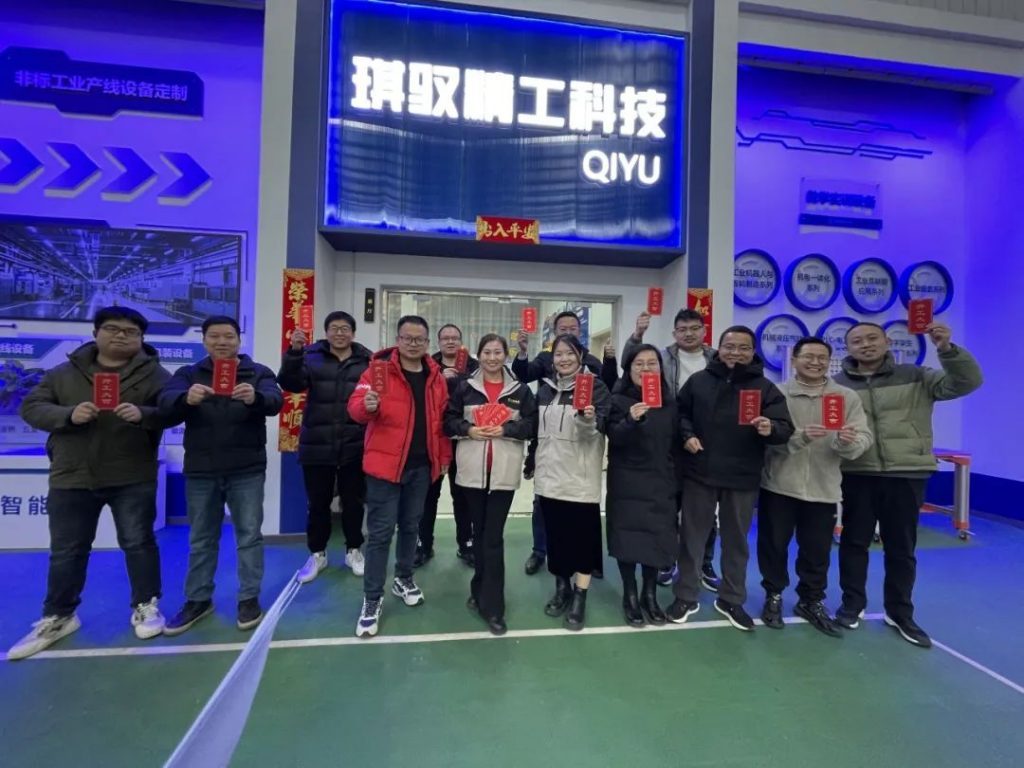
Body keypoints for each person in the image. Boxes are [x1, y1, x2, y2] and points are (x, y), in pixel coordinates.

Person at [8, 308, 173, 660]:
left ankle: (146, 605)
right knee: (68, 549)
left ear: (141, 339)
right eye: (112, 329)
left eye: (130, 332)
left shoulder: (157, 376)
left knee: (139, 543)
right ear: (96, 333)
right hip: (72, 474)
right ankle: (59, 615)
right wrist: (68, 414)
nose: (121, 336)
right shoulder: (64, 373)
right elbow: (32, 407)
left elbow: (173, 411)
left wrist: (145, 414)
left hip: (132, 473)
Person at [833, 321, 981, 647]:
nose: (865, 345)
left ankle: (899, 611)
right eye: (857, 341)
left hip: (906, 472)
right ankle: (852, 604)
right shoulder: (838, 385)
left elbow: (967, 381)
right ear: (848, 348)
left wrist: (946, 349)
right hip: (857, 472)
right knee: (853, 542)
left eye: (872, 338)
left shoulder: (916, 376)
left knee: (901, 547)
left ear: (887, 342)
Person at [160, 316, 283, 635]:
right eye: (214, 336)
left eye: (228, 336)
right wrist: (185, 399)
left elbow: (275, 401)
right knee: (201, 537)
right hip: (201, 470)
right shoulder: (188, 374)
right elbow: (165, 403)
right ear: (204, 340)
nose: (222, 342)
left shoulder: (257, 373)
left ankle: (249, 598)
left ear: (239, 340)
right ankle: (198, 599)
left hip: (247, 468)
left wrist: (255, 398)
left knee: (249, 536)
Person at [668, 326, 793, 631]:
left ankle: (731, 598)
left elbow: (784, 427)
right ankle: (685, 595)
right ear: (719, 348)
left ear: (753, 351)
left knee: (736, 541)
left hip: (742, 476)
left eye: (743, 347)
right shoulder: (699, 381)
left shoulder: (765, 388)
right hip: (699, 471)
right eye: (729, 346)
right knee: (692, 537)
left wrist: (771, 428)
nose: (735, 352)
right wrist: (687, 435)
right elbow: (679, 414)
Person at [758, 337, 872, 637]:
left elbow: (863, 437)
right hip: (779, 485)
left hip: (824, 488)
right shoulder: (776, 393)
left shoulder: (845, 397)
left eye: (822, 357)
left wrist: (846, 443)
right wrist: (801, 437)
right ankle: (773, 595)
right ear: (794, 359)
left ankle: (811, 600)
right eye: (808, 356)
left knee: (817, 550)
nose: (815, 362)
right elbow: (766, 441)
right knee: (773, 546)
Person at [348, 315, 451, 638]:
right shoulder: (377, 371)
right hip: (385, 468)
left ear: (427, 342)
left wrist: (443, 458)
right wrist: (367, 406)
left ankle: (403, 578)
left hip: (421, 467)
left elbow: (442, 422)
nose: (413, 343)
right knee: (380, 534)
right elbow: (355, 408)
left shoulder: (435, 377)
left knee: (410, 526)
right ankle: (372, 598)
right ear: (398, 339)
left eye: (419, 339)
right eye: (407, 338)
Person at [444, 334, 536, 635]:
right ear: (479, 355)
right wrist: (469, 429)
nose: (492, 358)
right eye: (487, 352)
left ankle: (494, 607)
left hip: (503, 477)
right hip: (471, 474)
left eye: (498, 352)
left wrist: (507, 429)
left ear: (506, 355)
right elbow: (448, 421)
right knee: (479, 533)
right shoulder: (464, 388)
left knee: (493, 537)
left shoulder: (520, 390)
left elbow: (532, 425)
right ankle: (479, 588)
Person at [624, 308, 720, 591]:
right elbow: (631, 363)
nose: (688, 334)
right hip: (670, 438)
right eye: (682, 329)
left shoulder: (716, 359)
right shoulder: (663, 358)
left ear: (704, 330)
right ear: (674, 333)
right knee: (669, 505)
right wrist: (637, 335)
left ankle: (704, 562)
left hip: (707, 442)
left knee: (706, 509)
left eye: (694, 328)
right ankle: (667, 560)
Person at [514, 310, 615, 576]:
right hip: (549, 454)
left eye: (573, 328)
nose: (564, 358)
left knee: (580, 518)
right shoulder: (545, 369)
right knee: (543, 507)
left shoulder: (593, 369)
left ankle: (584, 569)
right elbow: (523, 376)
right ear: (554, 333)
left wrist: (611, 360)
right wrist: (522, 352)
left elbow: (607, 400)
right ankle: (540, 551)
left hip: (579, 460)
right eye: (563, 328)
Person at [277, 310, 372, 584]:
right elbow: (291, 384)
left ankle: (354, 550)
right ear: (326, 331)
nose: (339, 333)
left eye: (345, 329)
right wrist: (294, 353)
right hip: (317, 445)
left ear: (353, 333)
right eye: (334, 328)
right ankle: (317, 553)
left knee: (354, 502)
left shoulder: (366, 359)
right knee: (318, 504)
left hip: (355, 444)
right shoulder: (310, 355)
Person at [534, 334, 611, 631]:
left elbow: (596, 431)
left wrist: (587, 419)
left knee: (581, 542)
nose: (563, 359)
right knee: (556, 539)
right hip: (549, 478)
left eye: (569, 353)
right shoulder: (545, 389)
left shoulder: (595, 387)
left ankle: (580, 596)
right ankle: (562, 587)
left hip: (580, 480)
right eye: (558, 354)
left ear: (580, 356)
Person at [606, 344, 678, 627]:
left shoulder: (669, 402)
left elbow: (676, 438)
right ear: (629, 369)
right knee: (627, 539)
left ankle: (650, 594)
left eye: (652, 363)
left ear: (660, 368)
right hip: (626, 482)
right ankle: (630, 595)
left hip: (660, 481)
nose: (645, 369)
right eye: (639, 363)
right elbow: (613, 435)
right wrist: (630, 420)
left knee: (655, 539)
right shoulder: (617, 400)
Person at [416, 323, 480, 569]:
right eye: (445, 338)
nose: (450, 341)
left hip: (464, 438)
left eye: (455, 338)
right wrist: (440, 380)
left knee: (462, 495)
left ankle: (466, 545)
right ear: (438, 342)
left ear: (461, 341)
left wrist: (461, 379)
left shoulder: (474, 366)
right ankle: (424, 545)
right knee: (428, 495)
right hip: (433, 439)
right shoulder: (428, 364)